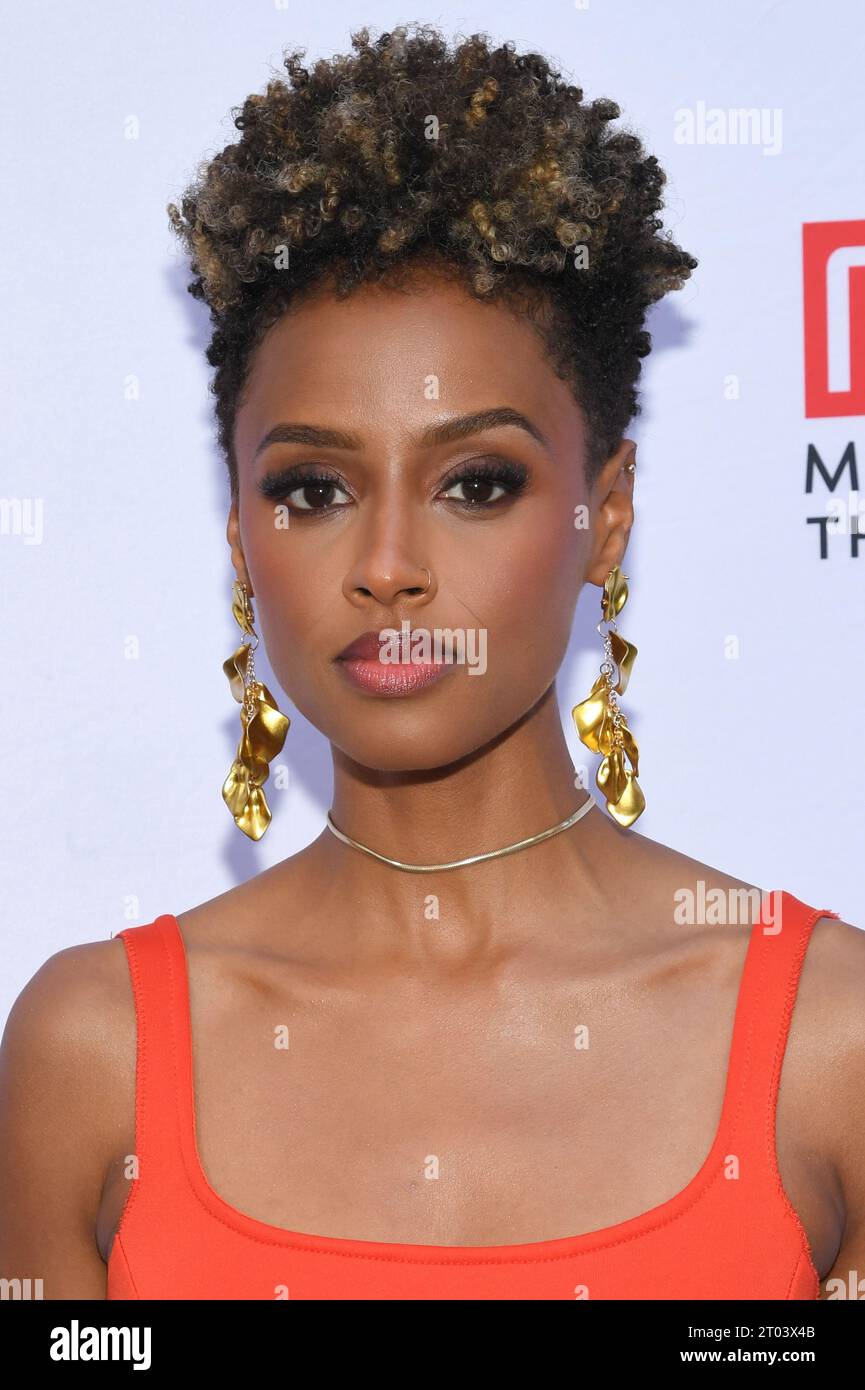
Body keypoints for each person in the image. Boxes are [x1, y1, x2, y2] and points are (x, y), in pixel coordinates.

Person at [1, 22, 862, 1301]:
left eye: (476, 482)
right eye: (312, 488)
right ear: (239, 531)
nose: (389, 566)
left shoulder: (831, 1045)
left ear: (607, 513)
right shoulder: (90, 1051)